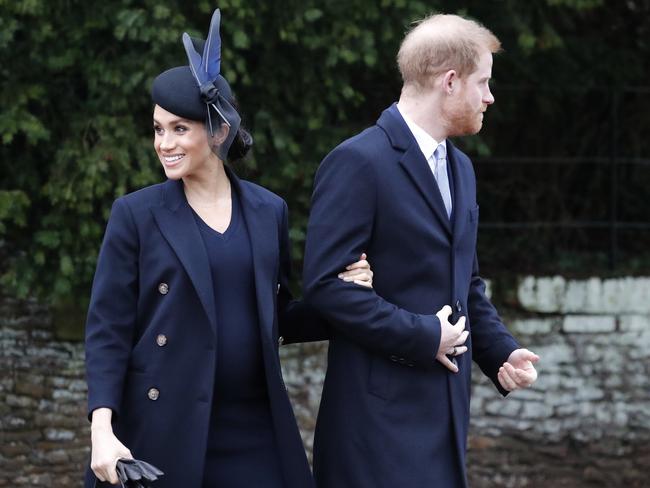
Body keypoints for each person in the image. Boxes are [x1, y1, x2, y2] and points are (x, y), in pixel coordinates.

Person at [84, 10, 373, 488]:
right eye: (158, 129)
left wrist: (340, 296)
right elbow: (107, 330)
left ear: (217, 132)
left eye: (179, 129)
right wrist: (101, 427)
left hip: (254, 429)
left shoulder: (268, 210)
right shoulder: (135, 215)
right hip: (163, 430)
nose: (164, 143)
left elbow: (276, 316)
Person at [302, 13, 540, 488]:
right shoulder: (358, 161)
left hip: (444, 420)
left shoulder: (462, 168)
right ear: (449, 82)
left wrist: (500, 352)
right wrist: (422, 336)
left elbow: (464, 283)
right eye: (483, 82)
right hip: (375, 427)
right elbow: (325, 286)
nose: (490, 97)